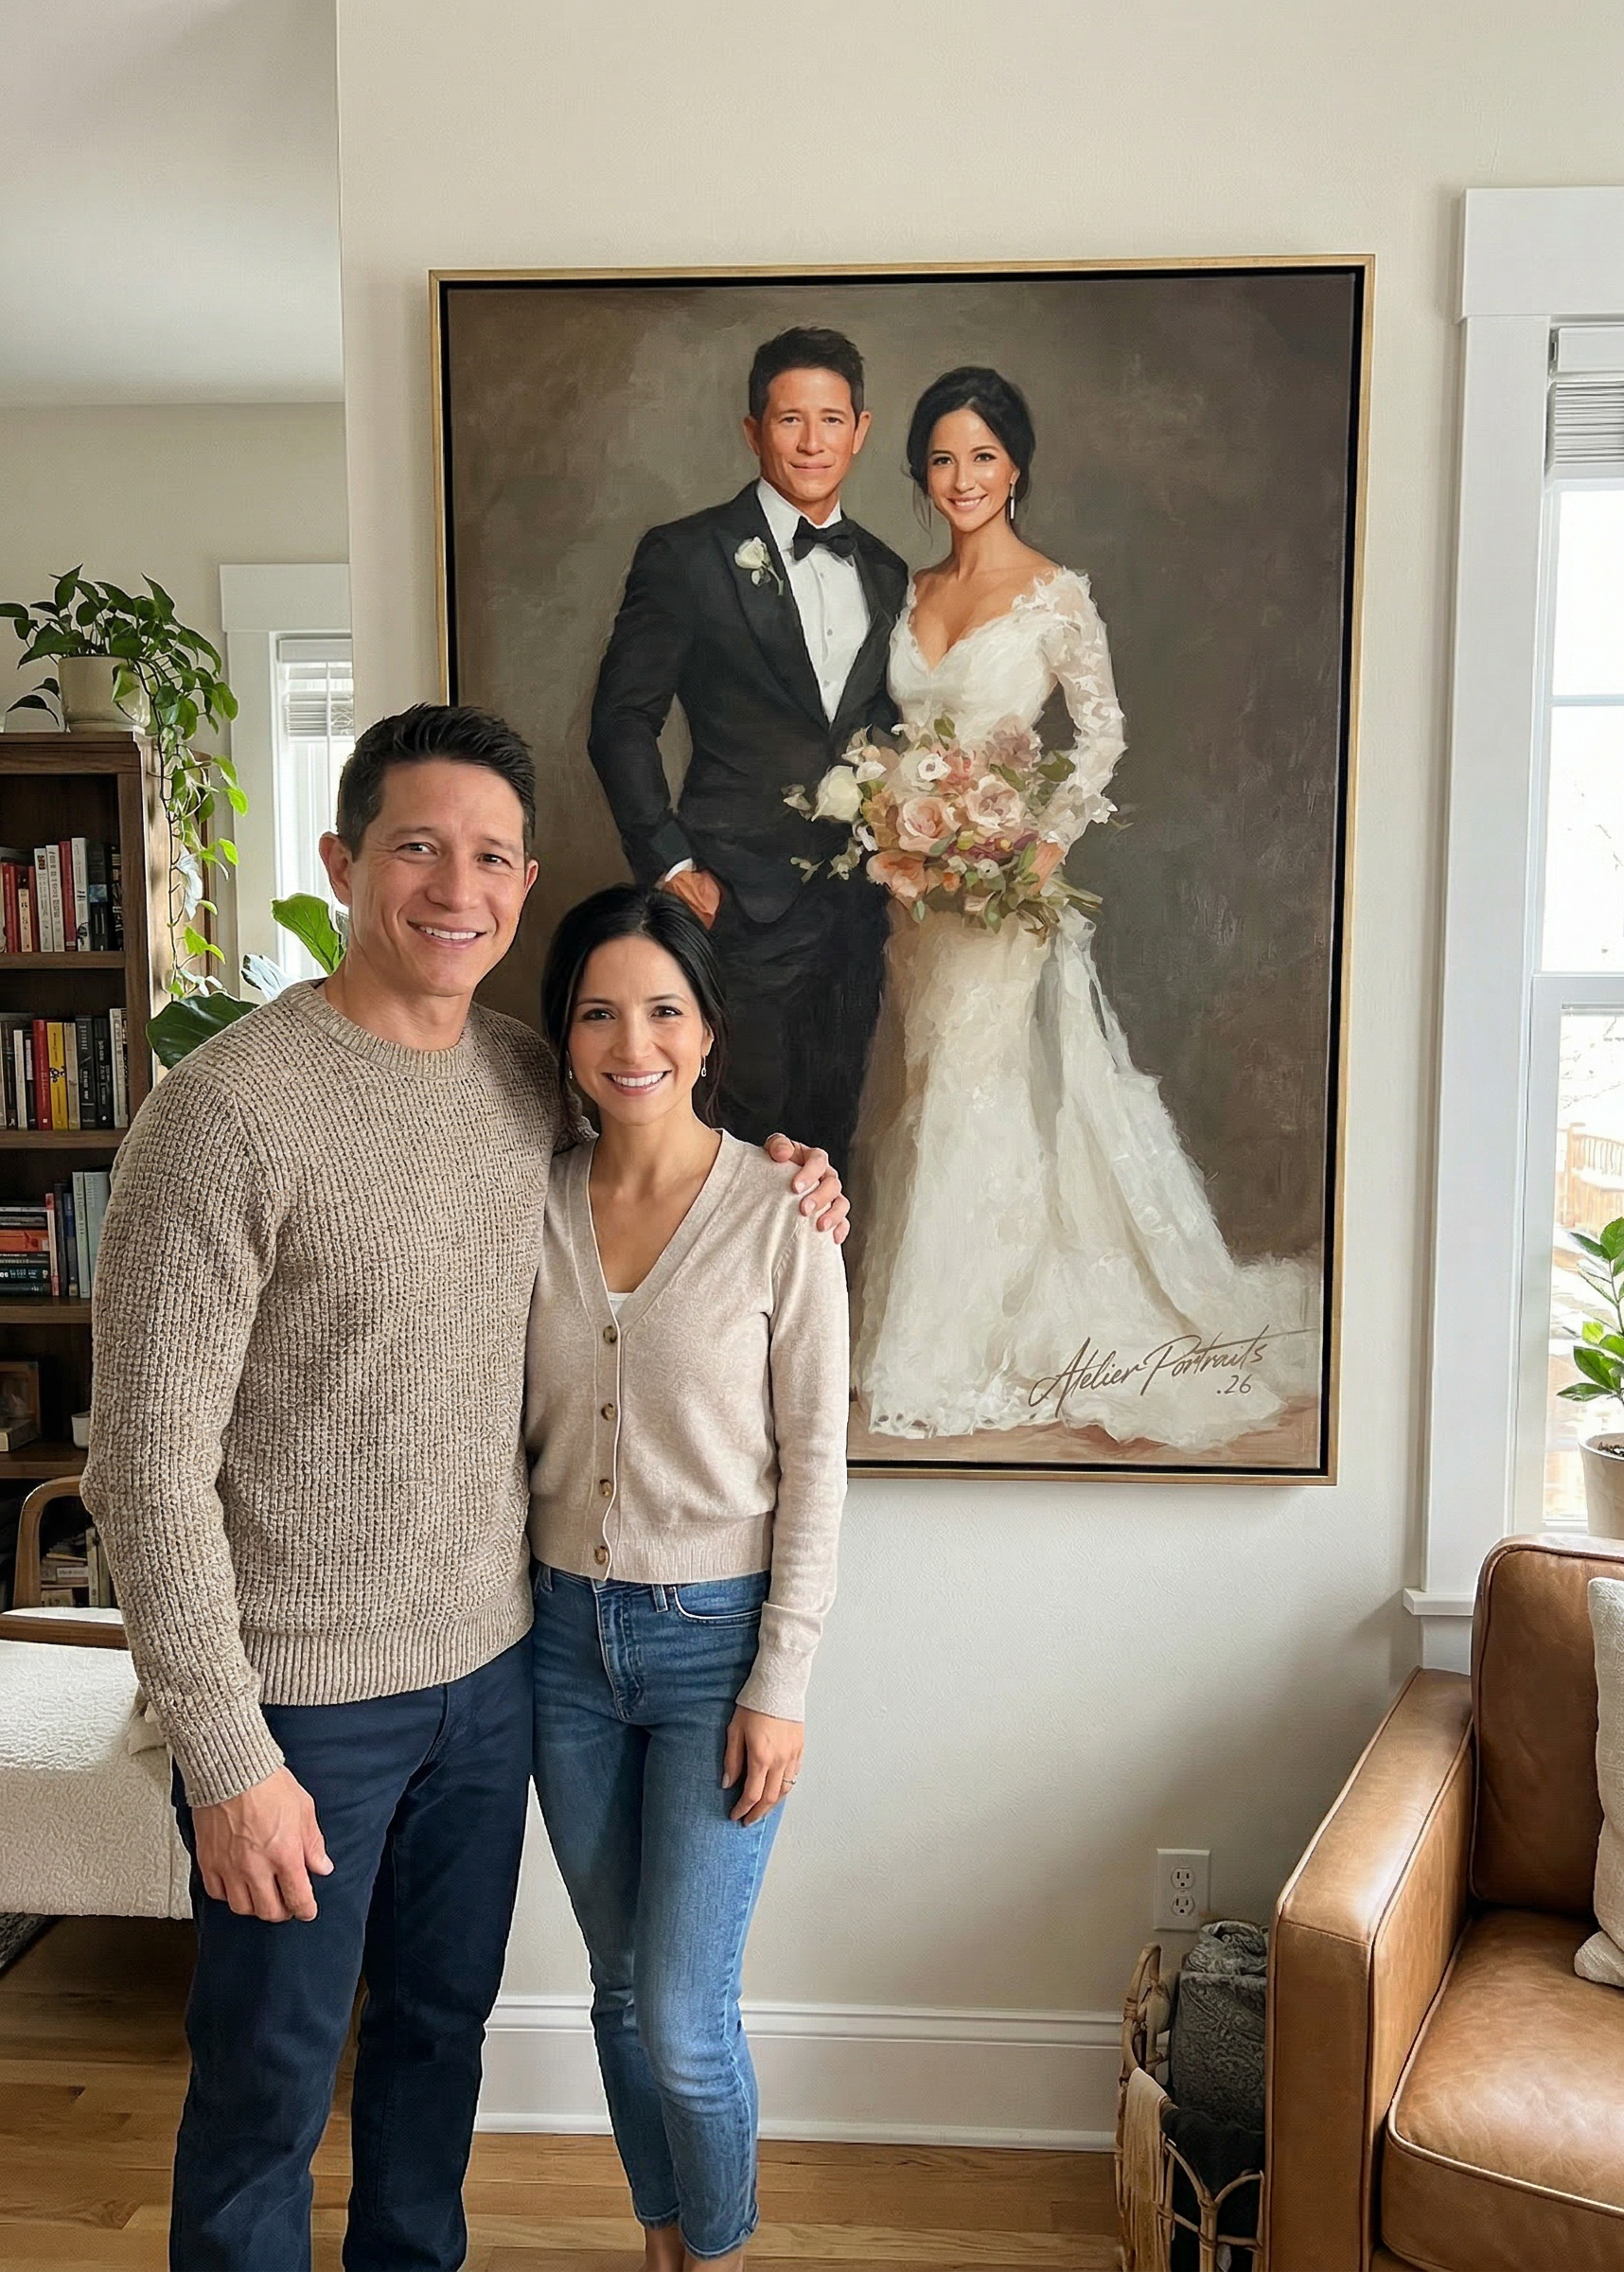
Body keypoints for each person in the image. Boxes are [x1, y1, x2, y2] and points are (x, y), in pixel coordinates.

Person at [81, 703, 848, 2272]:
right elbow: (142, 1465)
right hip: (302, 1708)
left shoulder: (528, 1084)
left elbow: (667, 1160)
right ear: (342, 861)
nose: (458, 885)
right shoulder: (223, 1113)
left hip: (498, 1678)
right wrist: (225, 1754)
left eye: (492, 855)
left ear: (525, 879)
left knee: (438, 2058)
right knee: (266, 2091)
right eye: (419, 846)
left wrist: (801, 1174)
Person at [850, 369, 1317, 1449]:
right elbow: (888, 738)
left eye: (981, 456)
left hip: (1003, 889)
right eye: (940, 458)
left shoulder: (1055, 592)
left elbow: (1101, 730)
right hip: (915, 888)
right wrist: (894, 820)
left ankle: (961, 1342)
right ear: (918, 472)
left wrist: (1038, 842)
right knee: (927, 1085)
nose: (960, 478)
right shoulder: (906, 590)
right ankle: (930, 1322)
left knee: (973, 1087)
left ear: (1014, 465)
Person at [524, 884, 847, 2272]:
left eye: (663, 1008)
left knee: (682, 2013)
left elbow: (820, 1462)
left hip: (715, 1650)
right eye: (598, 1010)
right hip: (551, 1646)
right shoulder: (525, 1201)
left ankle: (713, 2255)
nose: (630, 1038)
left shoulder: (784, 1214)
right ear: (565, 1036)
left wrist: (782, 1681)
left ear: (708, 1032)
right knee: (611, 1988)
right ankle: (661, 2240)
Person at [589, 325, 909, 1172]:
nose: (813, 442)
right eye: (790, 419)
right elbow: (621, 720)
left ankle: (814, 1307)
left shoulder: (885, 570)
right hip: (730, 903)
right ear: (753, 430)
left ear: (861, 430)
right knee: (734, 1142)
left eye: (832, 420)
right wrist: (670, 867)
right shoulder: (686, 555)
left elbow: (890, 731)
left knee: (829, 1139)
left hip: (855, 908)